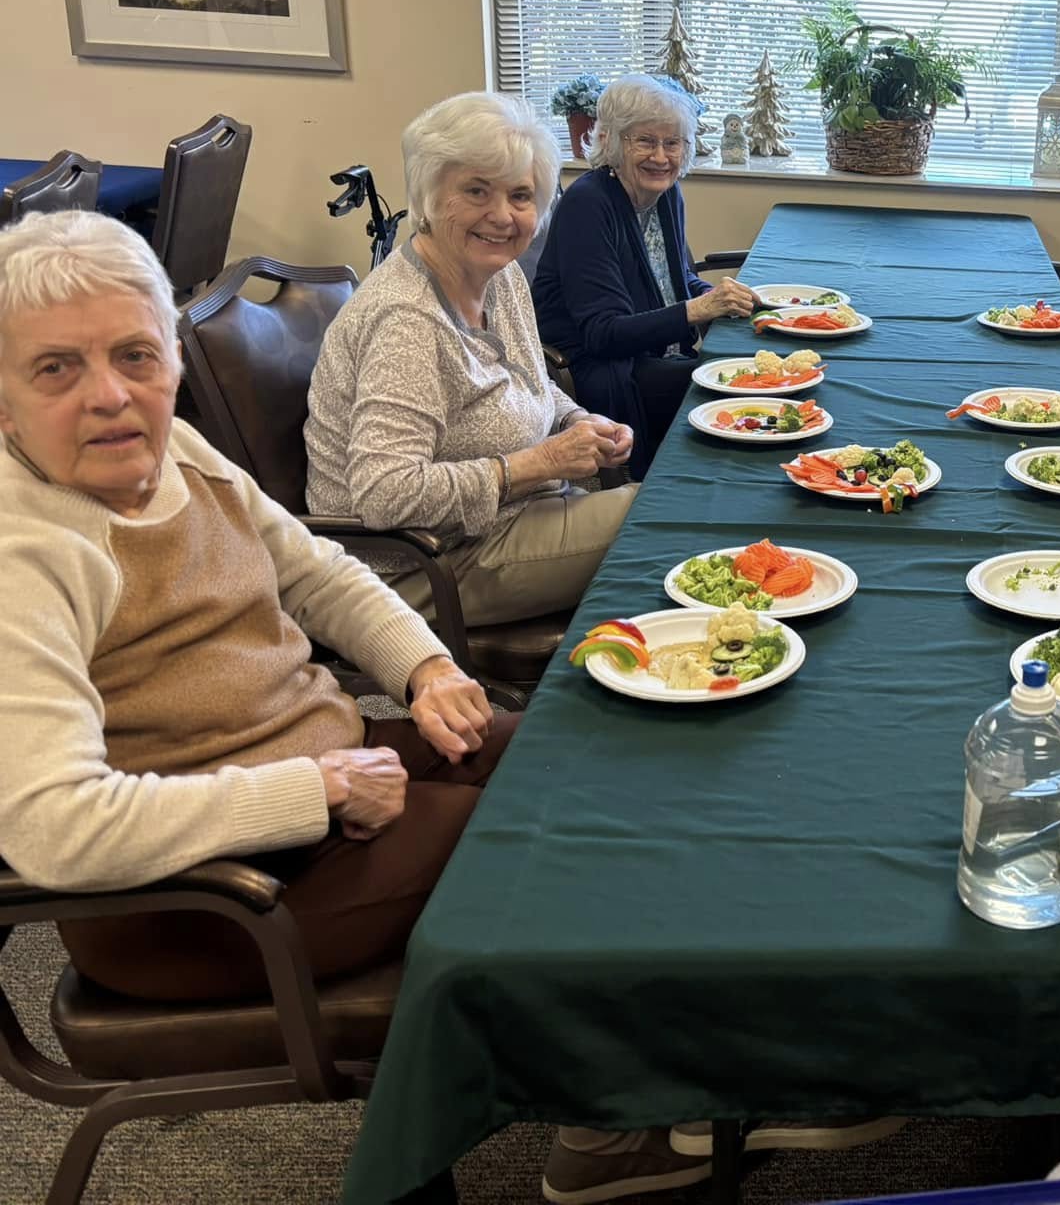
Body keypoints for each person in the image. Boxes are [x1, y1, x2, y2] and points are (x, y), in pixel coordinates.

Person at [0, 210, 514, 1002]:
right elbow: (55, 829)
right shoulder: (24, 555)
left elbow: (316, 574)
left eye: (135, 355)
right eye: (55, 368)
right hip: (199, 901)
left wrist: (427, 669)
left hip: (324, 767)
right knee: (538, 835)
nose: (110, 395)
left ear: (173, 359)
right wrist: (315, 790)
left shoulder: (176, 448)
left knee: (567, 753)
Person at [306, 91, 638, 625]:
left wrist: (576, 420)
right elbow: (383, 495)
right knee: (662, 519)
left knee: (671, 504)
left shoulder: (499, 275)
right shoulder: (407, 319)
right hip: (423, 566)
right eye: (476, 191)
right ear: (429, 193)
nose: (502, 216)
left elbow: (525, 380)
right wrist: (541, 462)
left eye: (520, 195)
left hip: (515, 516)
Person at [534, 74, 757, 479]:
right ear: (611, 143)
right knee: (739, 388)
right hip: (606, 367)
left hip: (656, 354)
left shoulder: (666, 193)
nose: (661, 156)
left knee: (759, 363)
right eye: (644, 141)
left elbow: (678, 280)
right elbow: (603, 333)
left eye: (672, 143)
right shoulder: (588, 204)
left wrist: (722, 297)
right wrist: (698, 309)